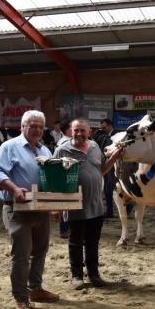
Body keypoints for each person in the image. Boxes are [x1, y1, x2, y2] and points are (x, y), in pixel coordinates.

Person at [0, 110, 59, 309]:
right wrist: (13, 188)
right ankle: (21, 297)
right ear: (22, 127)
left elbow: (50, 179)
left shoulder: (45, 150)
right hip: (16, 209)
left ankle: (36, 288)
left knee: (40, 251)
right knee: (21, 256)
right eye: (32, 125)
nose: (36, 129)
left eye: (40, 126)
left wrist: (55, 204)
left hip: (40, 210)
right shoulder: (9, 147)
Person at [53, 118, 122, 290]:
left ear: (89, 132)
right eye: (76, 130)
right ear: (71, 130)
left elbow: (101, 170)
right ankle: (77, 276)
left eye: (83, 131)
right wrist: (56, 206)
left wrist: (113, 158)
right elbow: (54, 178)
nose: (79, 134)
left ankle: (94, 274)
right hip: (74, 205)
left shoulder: (95, 147)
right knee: (75, 242)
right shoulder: (62, 150)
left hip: (96, 205)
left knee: (93, 242)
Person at [92, 118, 118, 219]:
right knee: (108, 189)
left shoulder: (117, 135)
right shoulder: (103, 135)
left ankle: (128, 206)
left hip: (115, 165)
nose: (103, 129)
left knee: (112, 188)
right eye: (102, 128)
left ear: (110, 125)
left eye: (104, 127)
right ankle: (110, 211)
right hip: (106, 165)